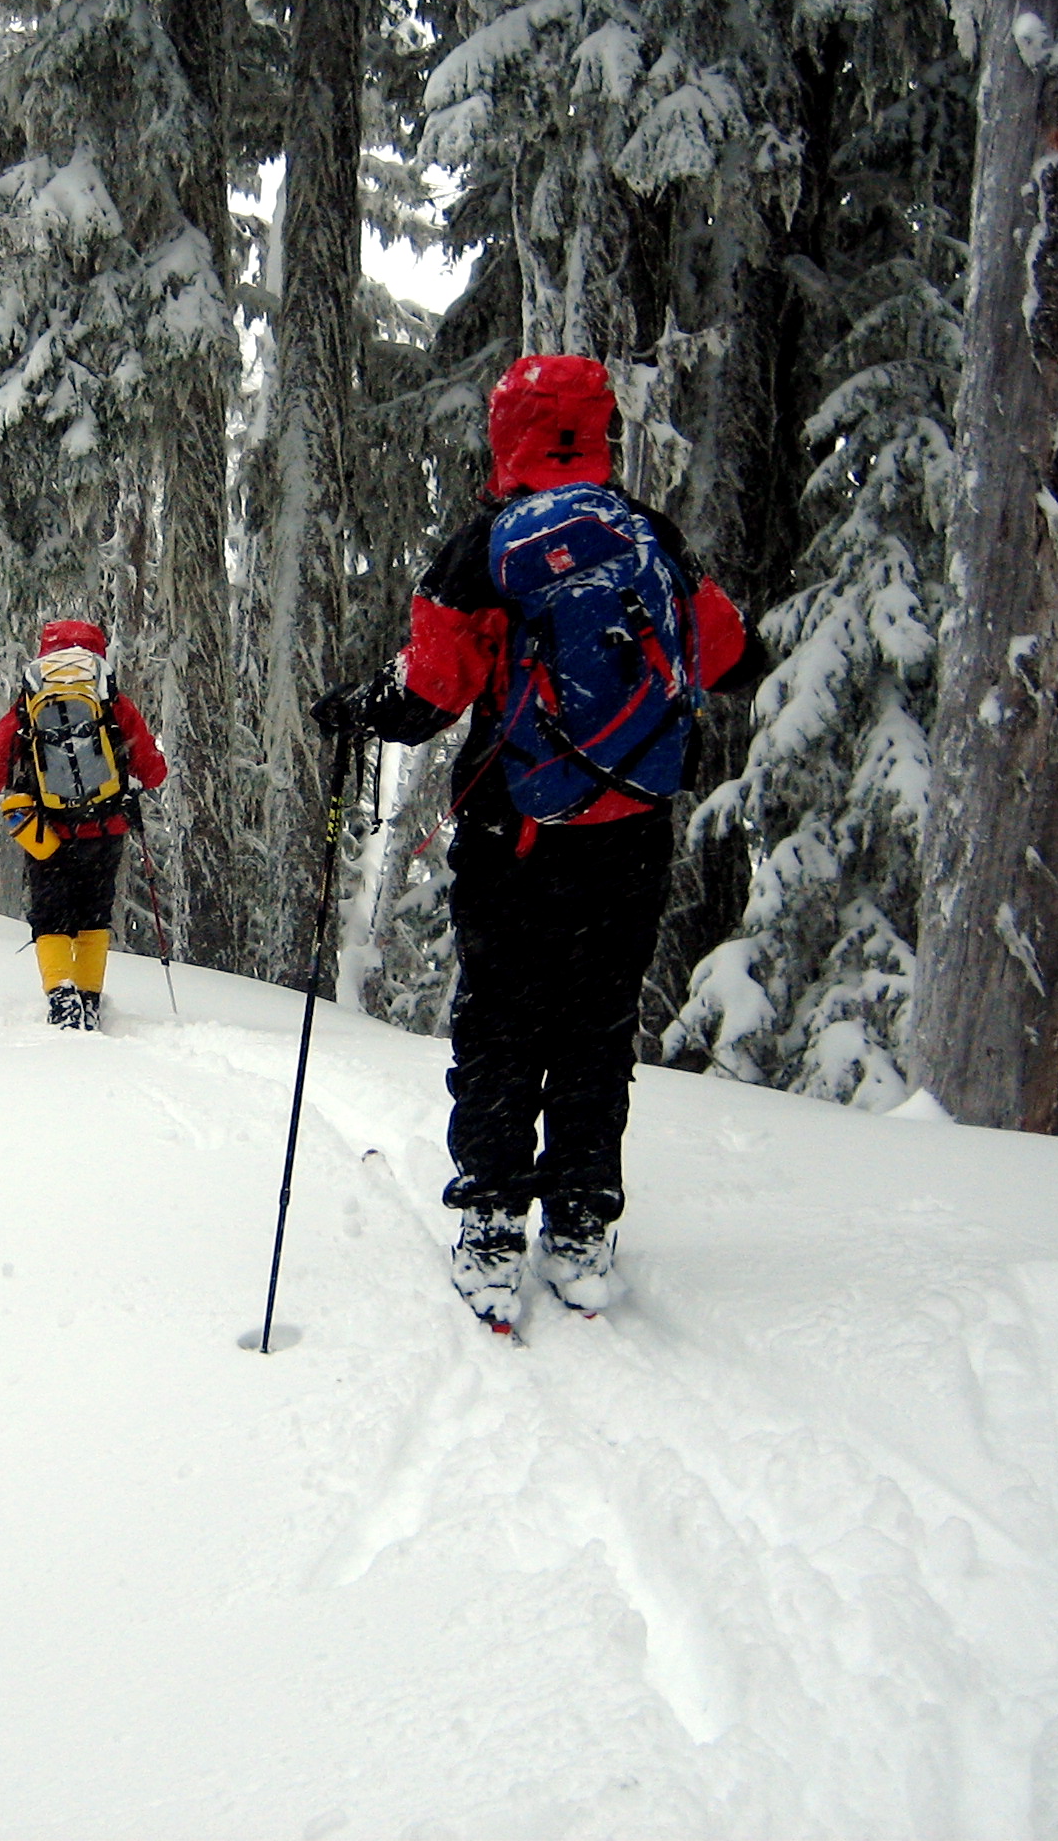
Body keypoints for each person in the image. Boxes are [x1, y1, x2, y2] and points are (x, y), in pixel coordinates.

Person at [312, 354, 760, 1332]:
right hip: (632, 834)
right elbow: (733, 656)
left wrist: (357, 708)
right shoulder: (652, 538)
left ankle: (489, 1227)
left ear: (506, 435)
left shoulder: (485, 551)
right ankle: (583, 1227)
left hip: (516, 833)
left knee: (504, 1023)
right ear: (599, 431)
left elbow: (430, 698)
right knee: (598, 1029)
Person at [0, 620, 169, 1031]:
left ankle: (61, 997)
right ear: (97, 651)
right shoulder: (111, 700)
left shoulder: (31, 700)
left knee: (51, 917)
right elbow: (152, 771)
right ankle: (89, 997)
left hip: (49, 831)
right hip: (107, 827)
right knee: (94, 917)